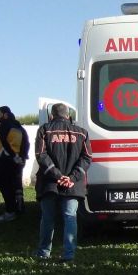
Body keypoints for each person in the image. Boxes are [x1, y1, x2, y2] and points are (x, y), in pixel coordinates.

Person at [35, 103, 92, 262]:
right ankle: (69, 254)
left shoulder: (44, 130)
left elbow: (41, 155)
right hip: (73, 185)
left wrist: (56, 175)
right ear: (68, 116)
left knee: (47, 218)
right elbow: (87, 158)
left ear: (51, 116)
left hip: (49, 183)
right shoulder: (82, 133)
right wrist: (72, 178)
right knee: (70, 217)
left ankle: (43, 253)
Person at [0, 106, 29, 222]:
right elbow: (26, 143)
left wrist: (13, 155)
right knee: (17, 185)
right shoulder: (19, 127)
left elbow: (4, 141)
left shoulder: (5, 124)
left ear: (5, 114)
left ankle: (10, 211)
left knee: (4, 185)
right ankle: (20, 208)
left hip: (5, 160)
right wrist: (22, 157)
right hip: (18, 161)